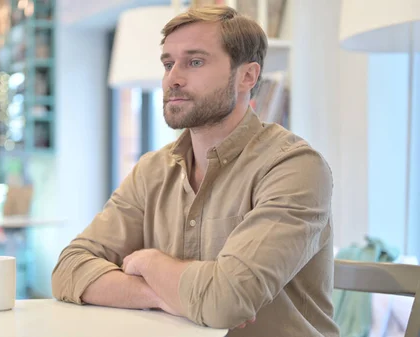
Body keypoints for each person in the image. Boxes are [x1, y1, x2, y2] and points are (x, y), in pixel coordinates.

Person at [51, 4, 340, 337]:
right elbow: (69, 269)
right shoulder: (152, 171)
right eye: (168, 63)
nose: (173, 78)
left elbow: (225, 302)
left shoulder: (294, 168)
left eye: (195, 62)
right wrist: (163, 297)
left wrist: (148, 262)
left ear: (247, 76)